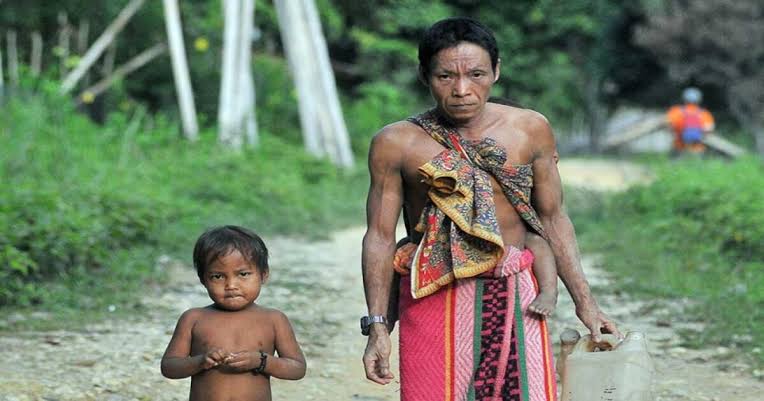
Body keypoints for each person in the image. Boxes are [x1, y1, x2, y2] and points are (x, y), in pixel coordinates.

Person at [360, 17, 620, 400]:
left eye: (476, 74)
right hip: (432, 294)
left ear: (496, 71)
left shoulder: (530, 129)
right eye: (445, 76)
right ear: (424, 76)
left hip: (516, 296)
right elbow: (380, 237)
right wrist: (378, 326)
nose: (462, 90)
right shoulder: (396, 143)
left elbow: (552, 218)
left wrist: (587, 304)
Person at [161, 225, 306, 401]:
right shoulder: (193, 319)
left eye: (243, 274)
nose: (231, 285)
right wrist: (200, 361)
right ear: (203, 279)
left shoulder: (273, 320)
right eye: (217, 276)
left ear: (264, 274)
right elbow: (169, 367)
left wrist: (261, 361)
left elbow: (297, 368)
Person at [666, 87, 715, 156]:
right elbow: (709, 129)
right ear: (699, 100)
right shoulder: (704, 114)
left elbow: (669, 126)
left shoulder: (676, 112)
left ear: (684, 99)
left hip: (679, 147)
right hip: (698, 149)